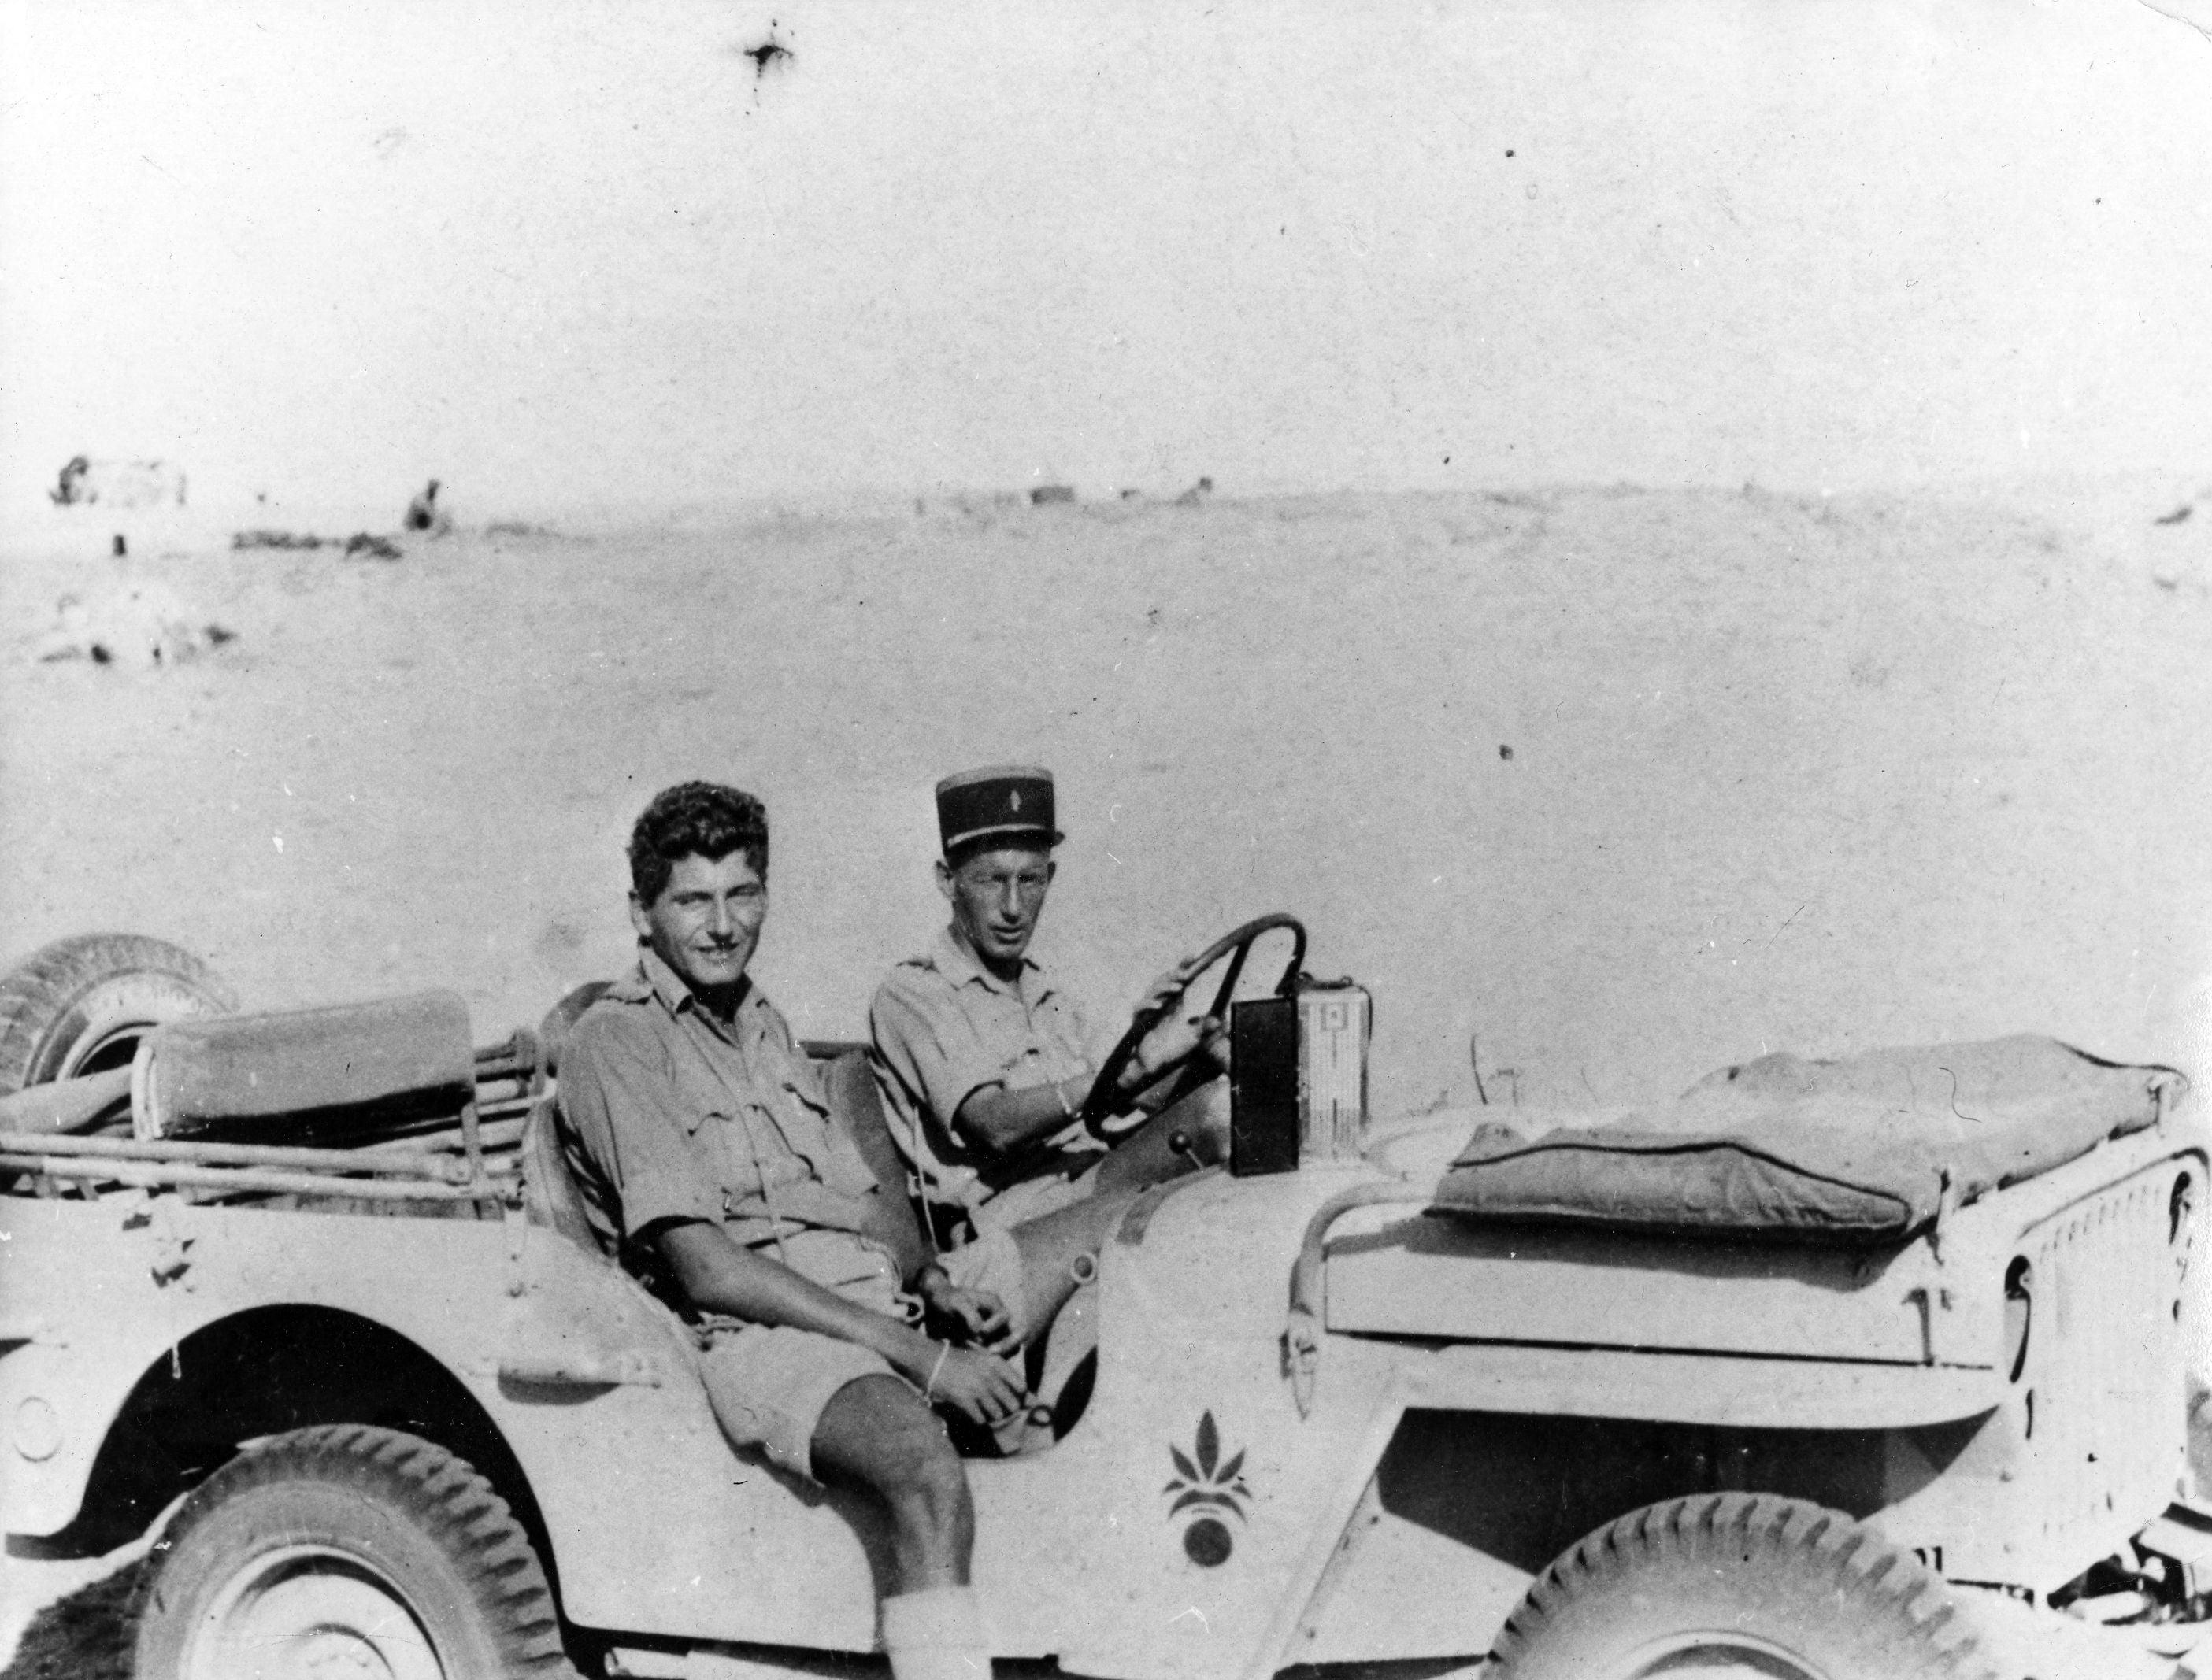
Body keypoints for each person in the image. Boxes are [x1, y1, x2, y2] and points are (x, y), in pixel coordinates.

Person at [558, 782, 1018, 1680]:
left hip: (865, 1306)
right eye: (692, 900)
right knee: (924, 1466)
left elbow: (857, 1200)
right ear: (641, 912)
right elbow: (707, 1270)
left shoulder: (761, 1022)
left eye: (743, 893)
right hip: (761, 1337)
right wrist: (922, 1359)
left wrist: (933, 1288)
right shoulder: (618, 1044)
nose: (723, 925)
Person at [869, 765, 1230, 1351]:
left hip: (1093, 1184)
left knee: (1242, 1100)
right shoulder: (914, 995)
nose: (1013, 907)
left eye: (1031, 881)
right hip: (1015, 1233)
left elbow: (1120, 1104)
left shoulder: (1049, 996)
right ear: (947, 880)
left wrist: (1180, 1048)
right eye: (992, 881)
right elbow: (994, 1124)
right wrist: (1134, 1069)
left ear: (1051, 878)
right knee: (1220, 1117)